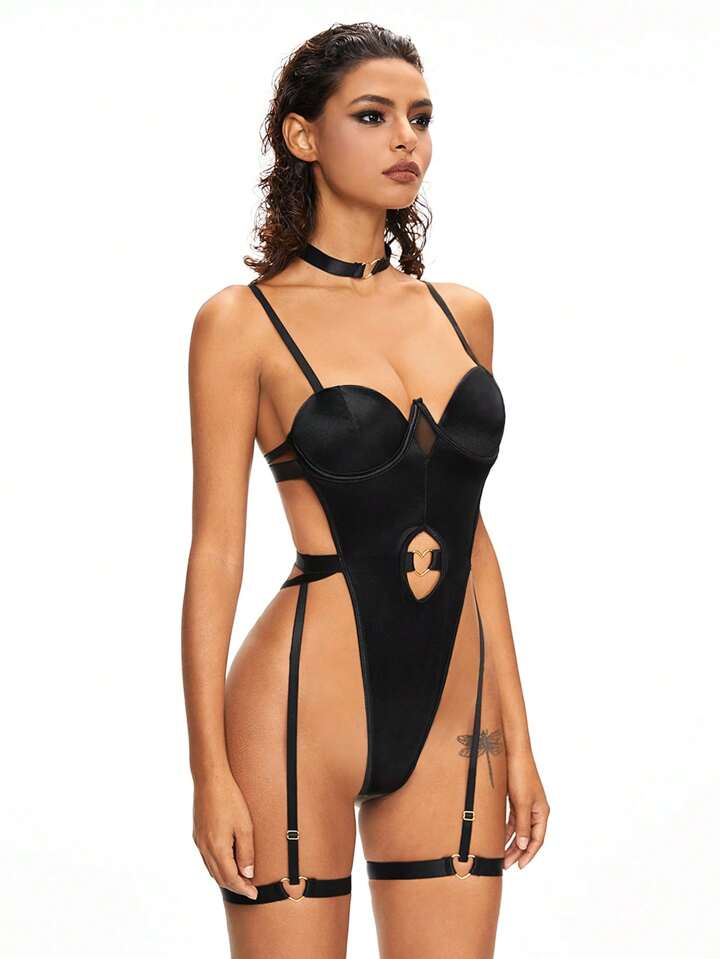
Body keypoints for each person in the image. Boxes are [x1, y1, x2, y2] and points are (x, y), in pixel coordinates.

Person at [181, 21, 550, 959]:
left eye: (421, 118)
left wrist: (519, 732)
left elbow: (470, 532)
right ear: (303, 136)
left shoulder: (462, 313)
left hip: (457, 718)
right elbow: (215, 552)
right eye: (374, 116)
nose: (406, 140)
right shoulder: (241, 323)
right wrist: (207, 769)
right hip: (297, 710)